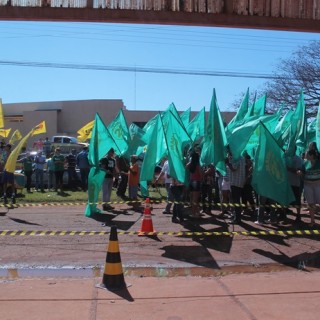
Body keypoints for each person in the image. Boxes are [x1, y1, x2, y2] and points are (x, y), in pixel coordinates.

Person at [297, 149, 320, 227]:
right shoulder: (305, 163)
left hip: (318, 185)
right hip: (308, 185)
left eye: (307, 154)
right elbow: (302, 171)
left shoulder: (319, 162)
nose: (305, 155)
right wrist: (300, 172)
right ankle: (312, 221)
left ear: (311, 155)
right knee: (310, 203)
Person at [225, 150, 246, 224]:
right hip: (236, 182)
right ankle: (236, 217)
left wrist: (227, 162)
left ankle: (237, 219)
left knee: (236, 201)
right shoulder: (241, 157)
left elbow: (233, 168)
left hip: (235, 183)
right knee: (235, 201)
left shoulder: (236, 158)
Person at [186, 150, 202, 218]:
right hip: (196, 181)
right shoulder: (198, 165)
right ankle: (193, 213)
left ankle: (197, 212)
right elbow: (200, 174)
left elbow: (186, 166)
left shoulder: (190, 164)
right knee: (195, 199)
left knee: (193, 198)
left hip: (191, 181)